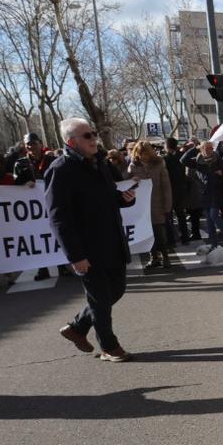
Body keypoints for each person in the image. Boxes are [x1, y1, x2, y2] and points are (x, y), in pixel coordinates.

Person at [45, 117, 139, 362]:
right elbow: (59, 218)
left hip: (113, 242)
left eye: (93, 133)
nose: (93, 139)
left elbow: (109, 197)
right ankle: (109, 346)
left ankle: (77, 328)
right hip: (87, 248)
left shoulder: (100, 163)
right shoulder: (60, 170)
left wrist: (124, 198)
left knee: (115, 291)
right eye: (87, 135)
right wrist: (76, 256)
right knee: (99, 299)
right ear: (71, 142)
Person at [127, 141, 174, 272]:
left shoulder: (159, 164)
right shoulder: (133, 166)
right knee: (147, 234)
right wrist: (132, 179)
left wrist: (167, 205)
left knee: (160, 233)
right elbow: (126, 183)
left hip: (157, 204)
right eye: (141, 153)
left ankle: (165, 257)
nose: (144, 156)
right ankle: (153, 257)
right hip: (141, 207)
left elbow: (166, 186)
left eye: (146, 153)